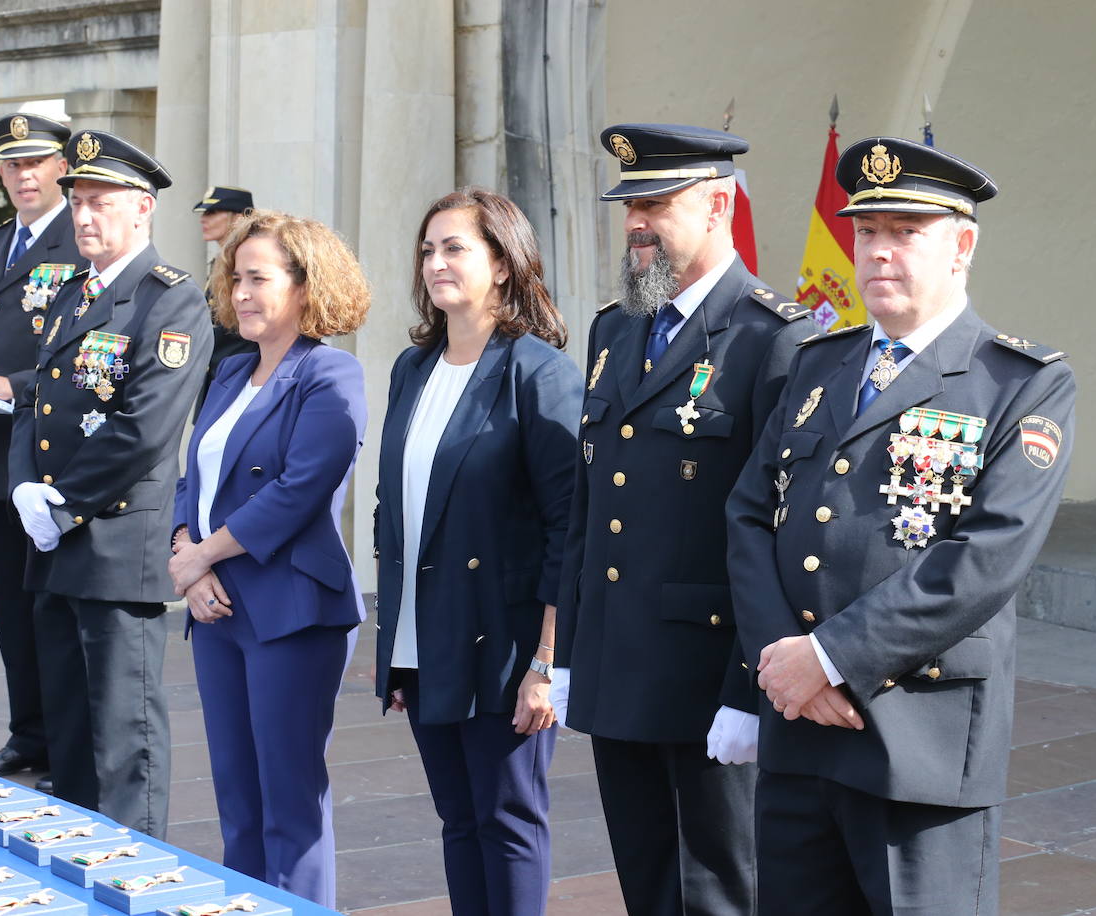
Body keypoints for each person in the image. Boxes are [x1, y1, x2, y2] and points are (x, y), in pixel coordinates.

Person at [726, 137, 1074, 916]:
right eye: (868, 232)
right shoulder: (819, 363)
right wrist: (781, 660)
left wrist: (827, 658)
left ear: (962, 244)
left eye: (905, 231)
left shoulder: (1019, 383)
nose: (879, 252)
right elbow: (750, 511)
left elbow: (984, 557)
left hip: (920, 742)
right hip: (801, 735)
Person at [552, 124, 812, 915]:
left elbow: (779, 532)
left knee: (718, 890)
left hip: (707, 671)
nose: (636, 221)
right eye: (629, 202)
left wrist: (748, 688)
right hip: (618, 660)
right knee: (645, 877)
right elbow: (587, 504)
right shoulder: (615, 326)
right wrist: (569, 650)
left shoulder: (776, 337)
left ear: (717, 204)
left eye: (657, 202)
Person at [373, 188, 580, 915]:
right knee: (458, 822)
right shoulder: (412, 367)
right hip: (428, 643)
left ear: (503, 263)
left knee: (508, 821)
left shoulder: (537, 371)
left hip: (505, 641)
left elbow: (568, 527)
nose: (435, 262)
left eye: (455, 247)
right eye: (428, 249)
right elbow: (392, 513)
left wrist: (548, 663)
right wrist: (396, 649)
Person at [7, 129, 212, 838]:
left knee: (126, 740)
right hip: (54, 544)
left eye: (100, 202)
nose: (84, 217)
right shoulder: (69, 295)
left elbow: (145, 426)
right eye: (79, 203)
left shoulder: (169, 303)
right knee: (68, 731)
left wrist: (61, 501)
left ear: (143, 210)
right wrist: (21, 487)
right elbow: (35, 401)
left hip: (116, 544)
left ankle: (136, 881)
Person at [168, 209, 369, 907]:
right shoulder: (229, 371)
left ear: (305, 285)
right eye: (236, 278)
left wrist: (202, 557)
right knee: (237, 800)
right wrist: (183, 550)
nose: (242, 292)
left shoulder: (331, 374)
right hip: (218, 608)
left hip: (291, 608)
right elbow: (191, 475)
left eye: (259, 278)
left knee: (289, 803)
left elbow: (298, 492)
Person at [0, 113, 84, 784]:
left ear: (61, 165)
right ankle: (27, 734)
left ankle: (64, 746)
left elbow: (94, 356)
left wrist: (17, 384)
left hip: (48, 456)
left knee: (49, 612)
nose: (23, 175)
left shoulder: (83, 237)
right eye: (10, 164)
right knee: (7, 606)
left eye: (36, 162)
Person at [192, 185, 258, 411]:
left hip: (241, 376)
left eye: (212, 213)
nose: (204, 219)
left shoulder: (249, 264)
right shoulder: (220, 262)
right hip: (217, 378)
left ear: (240, 217)